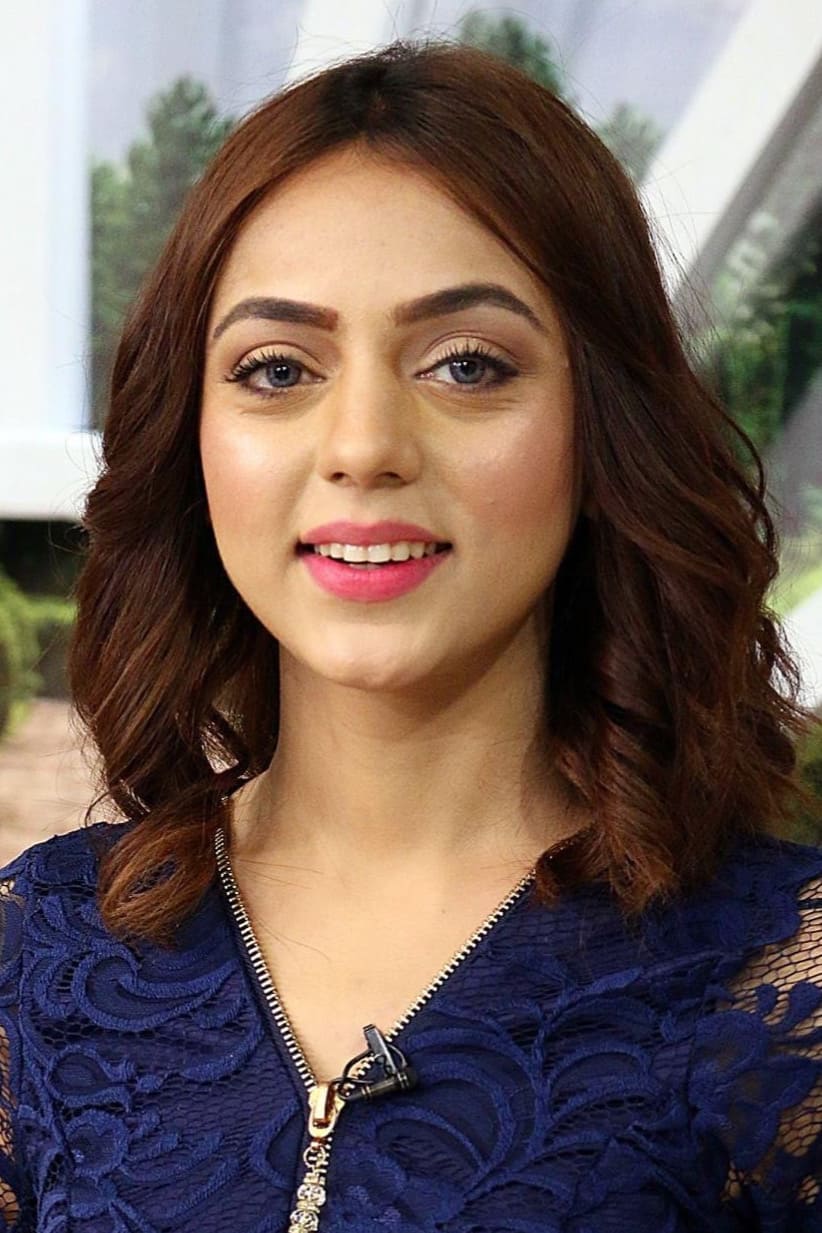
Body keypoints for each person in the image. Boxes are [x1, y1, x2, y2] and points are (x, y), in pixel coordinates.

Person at [1, 39, 821, 1233]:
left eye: (467, 365)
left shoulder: (779, 984)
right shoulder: (41, 952)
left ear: (603, 427)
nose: (365, 445)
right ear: (190, 436)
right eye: (277, 368)